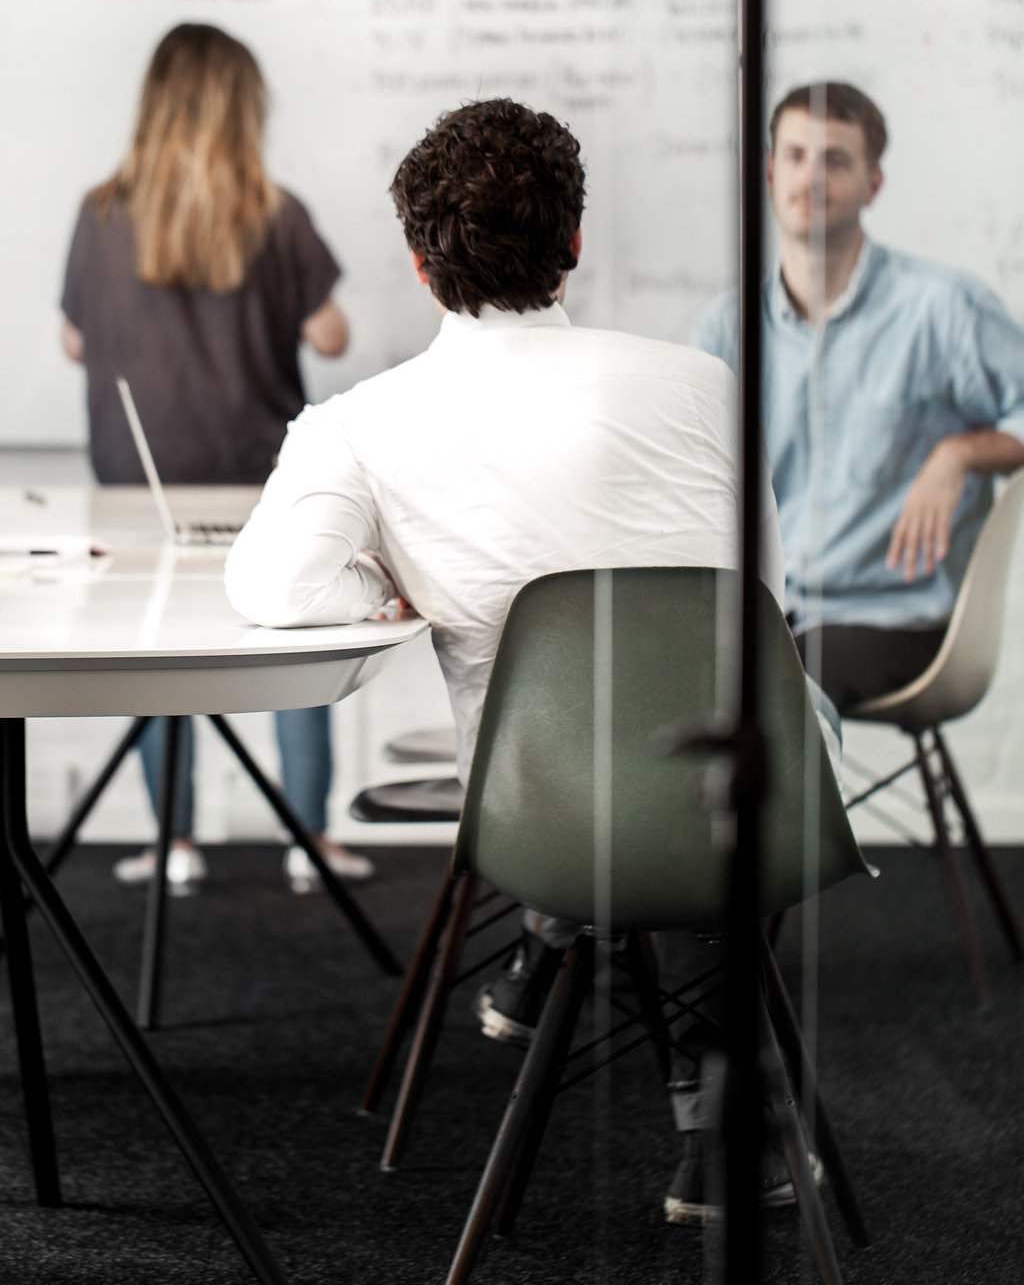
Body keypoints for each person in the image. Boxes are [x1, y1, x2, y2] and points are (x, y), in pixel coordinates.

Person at [224, 96, 812, 1221]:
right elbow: (765, 604)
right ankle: (727, 1136)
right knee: (699, 781)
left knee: (611, 791)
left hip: (541, 819)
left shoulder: (359, 425)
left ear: (418, 264)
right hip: (751, 793)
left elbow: (271, 590)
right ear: (574, 242)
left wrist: (382, 585)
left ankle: (556, 942)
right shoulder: (703, 384)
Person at [60, 22, 375, 894]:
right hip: (258, 477)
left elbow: (74, 341)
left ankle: (175, 844)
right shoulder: (277, 214)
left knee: (155, 657)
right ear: (245, 109)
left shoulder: (101, 213)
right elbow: (330, 335)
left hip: (139, 482)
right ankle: (310, 840)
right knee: (292, 637)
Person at [693, 80, 1024, 711]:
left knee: (765, 690)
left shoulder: (945, 310)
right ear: (770, 173)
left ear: (874, 184)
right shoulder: (726, 329)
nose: (811, 178)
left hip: (897, 618)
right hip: (772, 613)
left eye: (836, 160)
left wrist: (960, 453)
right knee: (663, 679)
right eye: (796, 156)